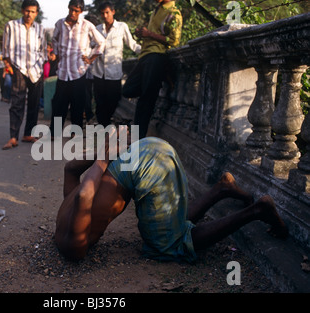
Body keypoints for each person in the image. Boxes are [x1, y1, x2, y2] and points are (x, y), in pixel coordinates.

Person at [54, 133, 289, 262]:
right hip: (145, 148)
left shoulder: (74, 247)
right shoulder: (65, 210)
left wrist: (104, 157)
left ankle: (257, 211)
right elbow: (70, 169)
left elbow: (85, 195)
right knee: (168, 226)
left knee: (169, 245)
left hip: (147, 166)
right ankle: (222, 189)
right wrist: (110, 154)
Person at [122, 0, 182, 138]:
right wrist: (142, 34)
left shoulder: (174, 13)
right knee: (128, 90)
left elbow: (174, 40)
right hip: (145, 56)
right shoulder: (157, 9)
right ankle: (156, 82)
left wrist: (149, 34)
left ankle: (139, 137)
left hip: (157, 56)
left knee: (146, 99)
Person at [49, 0, 105, 135]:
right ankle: (54, 133)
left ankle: (76, 133)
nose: (73, 13)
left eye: (76, 11)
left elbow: (101, 42)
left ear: (81, 12)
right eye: (71, 10)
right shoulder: (60, 24)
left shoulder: (87, 26)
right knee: (58, 103)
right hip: (63, 71)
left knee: (77, 104)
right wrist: (55, 54)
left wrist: (90, 58)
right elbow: (54, 40)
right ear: (68, 8)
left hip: (78, 71)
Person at [2, 0, 46, 150]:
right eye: (27, 11)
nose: (30, 14)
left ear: (36, 13)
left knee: (34, 103)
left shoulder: (40, 29)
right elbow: (6, 50)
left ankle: (29, 133)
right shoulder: (12, 26)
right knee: (17, 103)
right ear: (22, 11)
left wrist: (40, 66)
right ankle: (13, 136)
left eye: (33, 12)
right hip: (19, 68)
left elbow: (43, 50)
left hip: (36, 70)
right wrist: (10, 67)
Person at [92, 2, 141, 127]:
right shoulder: (97, 29)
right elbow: (91, 46)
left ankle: (106, 124)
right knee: (100, 101)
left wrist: (146, 52)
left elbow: (132, 44)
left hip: (114, 72)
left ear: (113, 12)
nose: (105, 15)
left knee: (114, 100)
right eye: (102, 13)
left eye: (107, 12)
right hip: (99, 72)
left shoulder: (121, 27)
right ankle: (103, 127)